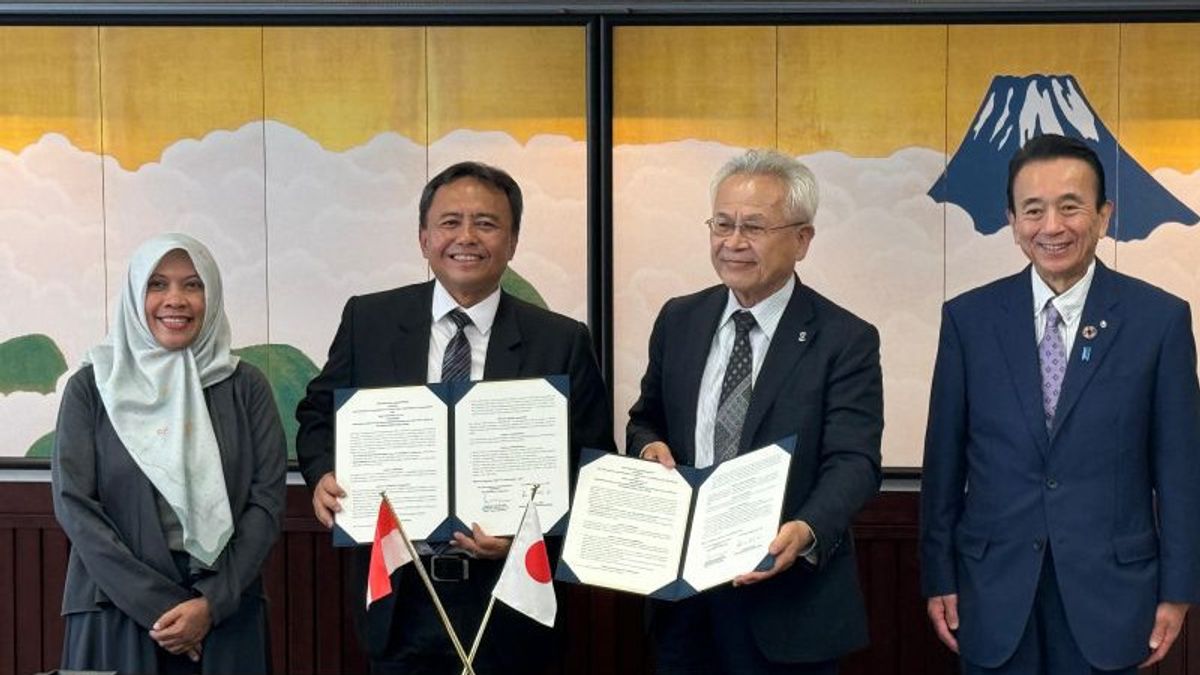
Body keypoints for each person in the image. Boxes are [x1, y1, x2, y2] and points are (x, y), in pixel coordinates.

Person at [295, 161, 614, 674]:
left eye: (486, 223)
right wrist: (320, 475)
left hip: (510, 602)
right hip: (400, 594)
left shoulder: (560, 340)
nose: (466, 237)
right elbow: (317, 414)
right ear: (424, 238)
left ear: (512, 241)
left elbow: (593, 465)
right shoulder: (369, 321)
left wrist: (527, 537)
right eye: (450, 222)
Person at [921, 133, 1200, 674]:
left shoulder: (1159, 321)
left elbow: (1181, 469)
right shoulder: (969, 320)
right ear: (1011, 221)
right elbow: (944, 465)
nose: (1052, 226)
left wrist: (1178, 588)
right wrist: (939, 576)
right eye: (1033, 210)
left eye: (1071, 207)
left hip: (1113, 596)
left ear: (1103, 215)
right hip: (991, 591)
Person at [627, 148, 883, 675]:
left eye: (754, 227)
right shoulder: (680, 319)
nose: (733, 242)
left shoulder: (845, 339)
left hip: (788, 604)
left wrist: (807, 528)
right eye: (722, 224)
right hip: (684, 604)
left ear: (802, 239)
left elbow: (854, 461)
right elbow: (644, 417)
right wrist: (647, 446)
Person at [51, 233, 287, 674]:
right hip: (115, 606)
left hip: (225, 609)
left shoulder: (246, 386)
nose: (175, 299)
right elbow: (74, 505)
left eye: (192, 285)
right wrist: (161, 607)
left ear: (211, 296)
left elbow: (267, 501)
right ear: (135, 295)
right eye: (157, 284)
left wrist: (210, 605)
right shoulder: (92, 386)